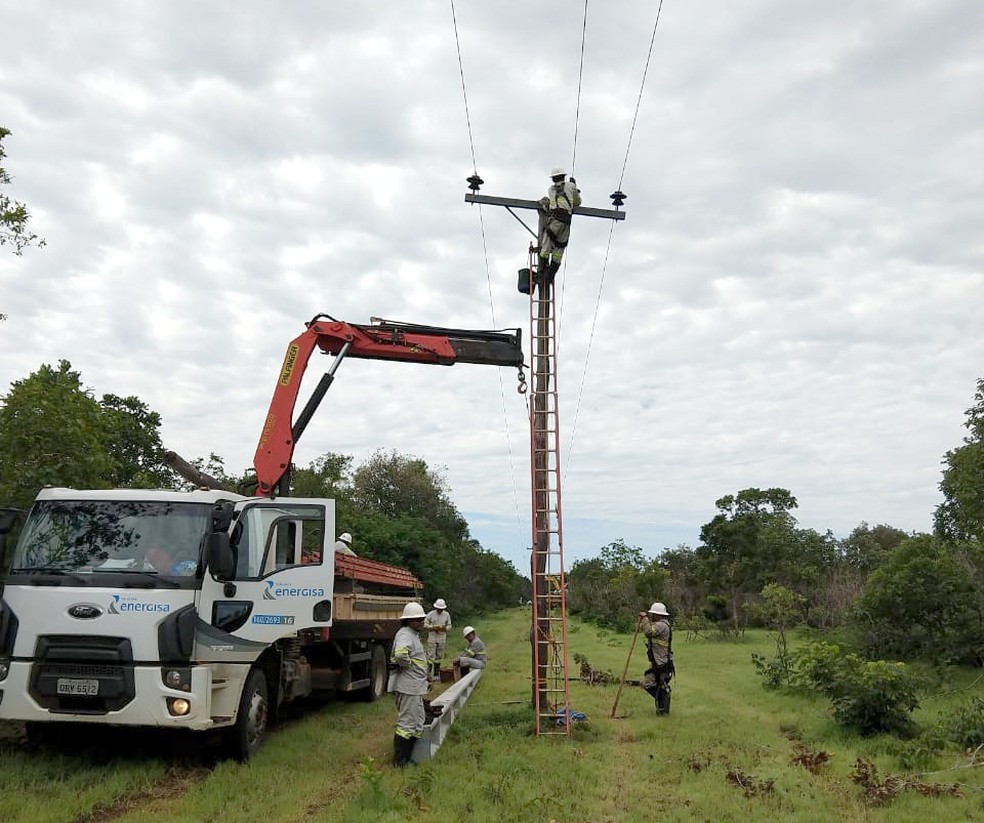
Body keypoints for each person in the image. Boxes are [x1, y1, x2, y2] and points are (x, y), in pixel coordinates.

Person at [388, 601, 429, 766]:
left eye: (422, 619)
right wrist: (408, 665)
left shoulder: (413, 634)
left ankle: (410, 756)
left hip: (416, 686)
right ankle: (400, 761)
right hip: (408, 686)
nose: (421, 622)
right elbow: (400, 654)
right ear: (409, 621)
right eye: (418, 620)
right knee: (406, 724)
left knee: (418, 721)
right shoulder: (405, 634)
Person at [537, 166, 581, 284]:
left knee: (545, 247)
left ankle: (541, 274)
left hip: (555, 222)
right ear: (564, 176)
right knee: (558, 251)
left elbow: (551, 204)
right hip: (566, 223)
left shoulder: (551, 190)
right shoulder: (571, 187)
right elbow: (578, 202)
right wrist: (574, 187)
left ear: (553, 179)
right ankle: (549, 277)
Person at [639, 601, 674, 715]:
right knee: (658, 685)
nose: (651, 616)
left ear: (658, 615)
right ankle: (662, 708)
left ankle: (663, 701)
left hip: (661, 663)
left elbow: (648, 631)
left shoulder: (662, 625)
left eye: (653, 614)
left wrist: (644, 619)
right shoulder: (661, 624)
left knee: (648, 683)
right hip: (659, 661)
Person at [423, 598, 452, 681]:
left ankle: (436, 674)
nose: (440, 610)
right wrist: (432, 627)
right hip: (432, 637)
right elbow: (425, 624)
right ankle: (428, 674)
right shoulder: (431, 614)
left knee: (439, 657)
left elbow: (449, 625)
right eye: (438, 609)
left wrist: (445, 628)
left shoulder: (446, 615)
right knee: (431, 656)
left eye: (441, 609)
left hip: (442, 638)